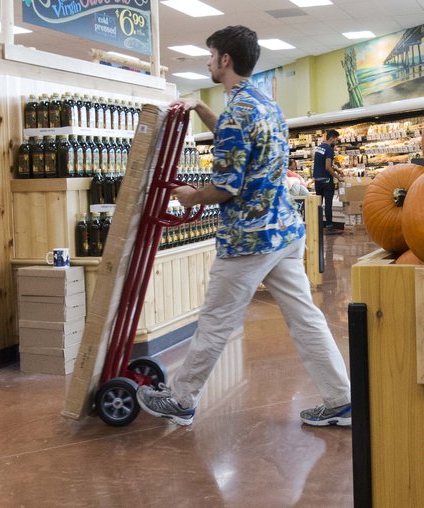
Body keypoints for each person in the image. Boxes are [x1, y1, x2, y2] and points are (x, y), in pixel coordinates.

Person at [136, 25, 352, 428]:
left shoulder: (238, 112)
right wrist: (202, 111)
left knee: (216, 319)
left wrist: (191, 196)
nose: (207, 62)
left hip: (249, 239)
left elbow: (225, 186)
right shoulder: (265, 104)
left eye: (211, 55)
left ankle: (182, 399)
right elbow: (243, 142)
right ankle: (341, 399)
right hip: (284, 232)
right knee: (306, 317)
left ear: (226, 60)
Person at [313, 129, 344, 234]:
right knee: (328, 204)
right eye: (336, 139)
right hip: (326, 180)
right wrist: (337, 177)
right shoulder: (330, 150)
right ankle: (329, 227)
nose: (337, 141)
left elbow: (323, 164)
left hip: (317, 180)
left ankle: (318, 226)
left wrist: (337, 169)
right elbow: (327, 167)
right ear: (331, 138)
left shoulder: (319, 148)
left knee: (319, 204)